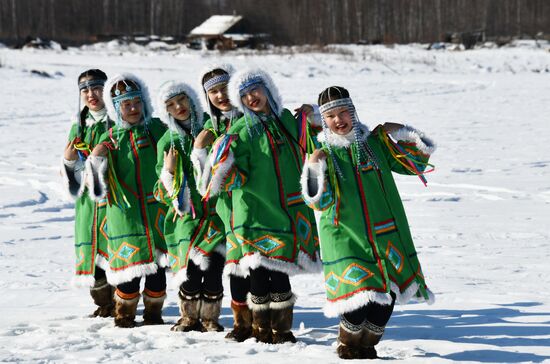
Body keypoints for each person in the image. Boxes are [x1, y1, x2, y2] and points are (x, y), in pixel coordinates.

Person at [301, 86, 435, 359]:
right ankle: (348, 347)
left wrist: (402, 131)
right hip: (345, 237)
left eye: (343, 113)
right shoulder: (323, 152)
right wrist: (315, 167)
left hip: (386, 233)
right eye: (330, 116)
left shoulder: (374, 144)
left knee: (386, 301)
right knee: (357, 301)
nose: (338, 120)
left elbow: (416, 163)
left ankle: (367, 347)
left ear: (352, 112)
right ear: (323, 121)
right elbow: (318, 202)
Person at [200, 68, 320, 343]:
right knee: (256, 272)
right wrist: (223, 158)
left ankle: (282, 329)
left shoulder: (287, 121)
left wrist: (309, 110)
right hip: (251, 213)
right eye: (243, 95)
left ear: (268, 89)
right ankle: (259, 328)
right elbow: (227, 178)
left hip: (285, 212)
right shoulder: (240, 131)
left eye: (256, 89)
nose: (251, 97)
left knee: (280, 273)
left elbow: (320, 125)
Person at [86, 73, 168, 328]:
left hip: (156, 214)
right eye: (126, 105)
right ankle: (124, 314)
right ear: (116, 108)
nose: (133, 109)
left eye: (136, 102)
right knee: (128, 274)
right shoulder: (110, 138)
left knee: (157, 272)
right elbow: (95, 184)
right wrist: (96, 158)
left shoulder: (156, 129)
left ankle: (154, 313)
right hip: (126, 216)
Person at [154, 81, 225, 332]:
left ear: (193, 99)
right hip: (186, 218)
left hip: (217, 216)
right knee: (191, 274)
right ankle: (188, 317)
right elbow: (161, 191)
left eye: (182, 100)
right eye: (171, 105)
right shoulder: (167, 142)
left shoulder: (213, 126)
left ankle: (210, 318)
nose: (178, 107)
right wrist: (169, 171)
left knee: (215, 272)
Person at [191, 64, 254, 341]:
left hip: (255, 202)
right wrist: (199, 150)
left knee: (259, 264)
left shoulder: (251, 118)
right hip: (226, 210)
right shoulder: (209, 127)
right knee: (236, 266)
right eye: (213, 92)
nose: (220, 96)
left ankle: (265, 321)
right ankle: (242, 323)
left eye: (224, 88)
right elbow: (204, 181)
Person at [61, 68, 114, 317]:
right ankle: (104, 303)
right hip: (88, 202)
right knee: (92, 251)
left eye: (96, 88)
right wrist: (69, 161)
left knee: (117, 249)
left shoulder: (118, 119)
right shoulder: (79, 126)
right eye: (85, 90)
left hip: (115, 197)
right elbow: (74, 169)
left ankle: (125, 301)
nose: (91, 94)